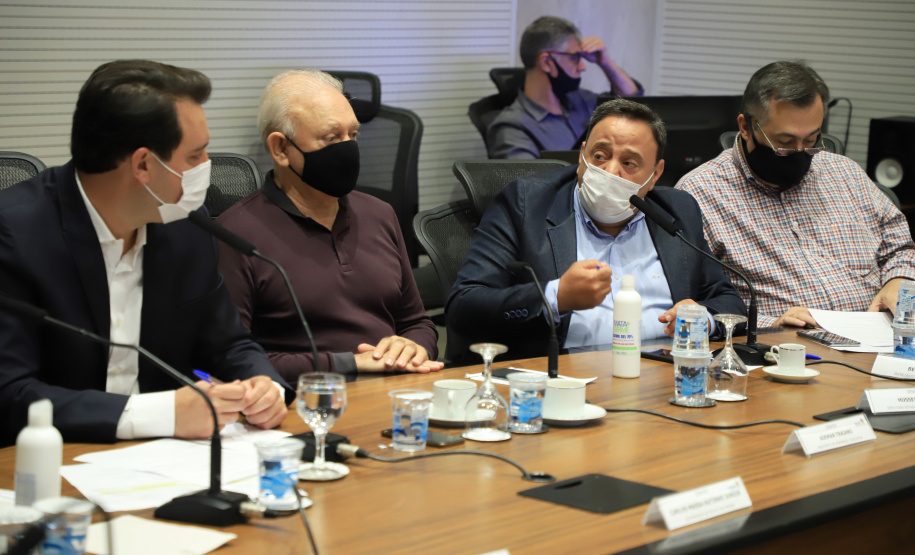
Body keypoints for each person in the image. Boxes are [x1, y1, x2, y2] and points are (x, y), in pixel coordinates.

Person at [0, 60, 290, 447]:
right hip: (47, 458)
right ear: (143, 165)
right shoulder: (14, 234)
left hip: (165, 459)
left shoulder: (187, 226)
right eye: (195, 155)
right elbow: (10, 394)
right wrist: (161, 414)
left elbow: (228, 343)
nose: (207, 165)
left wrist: (263, 385)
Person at [449, 98, 745, 359]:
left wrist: (703, 319)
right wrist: (556, 297)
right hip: (565, 380)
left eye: (629, 163)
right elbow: (464, 306)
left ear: (655, 175)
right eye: (600, 155)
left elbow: (728, 299)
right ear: (582, 156)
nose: (610, 171)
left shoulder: (676, 211)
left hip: (663, 376)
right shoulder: (527, 204)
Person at [216, 69, 443, 382]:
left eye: (353, 135)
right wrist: (350, 363)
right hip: (305, 399)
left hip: (396, 391)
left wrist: (413, 347)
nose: (348, 148)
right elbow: (231, 361)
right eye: (332, 138)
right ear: (281, 149)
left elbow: (417, 322)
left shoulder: (380, 214)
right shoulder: (235, 233)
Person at [676, 61, 915, 328]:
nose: (799, 152)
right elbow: (692, 302)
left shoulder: (845, 173)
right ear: (745, 127)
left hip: (881, 335)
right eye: (785, 142)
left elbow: (900, 247)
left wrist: (899, 280)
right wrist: (769, 325)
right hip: (785, 346)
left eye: (811, 140)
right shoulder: (699, 193)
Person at [487, 16, 643, 160]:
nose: (582, 67)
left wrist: (605, 62)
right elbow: (528, 180)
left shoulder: (580, 100)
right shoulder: (512, 127)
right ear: (546, 62)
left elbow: (632, 104)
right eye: (575, 58)